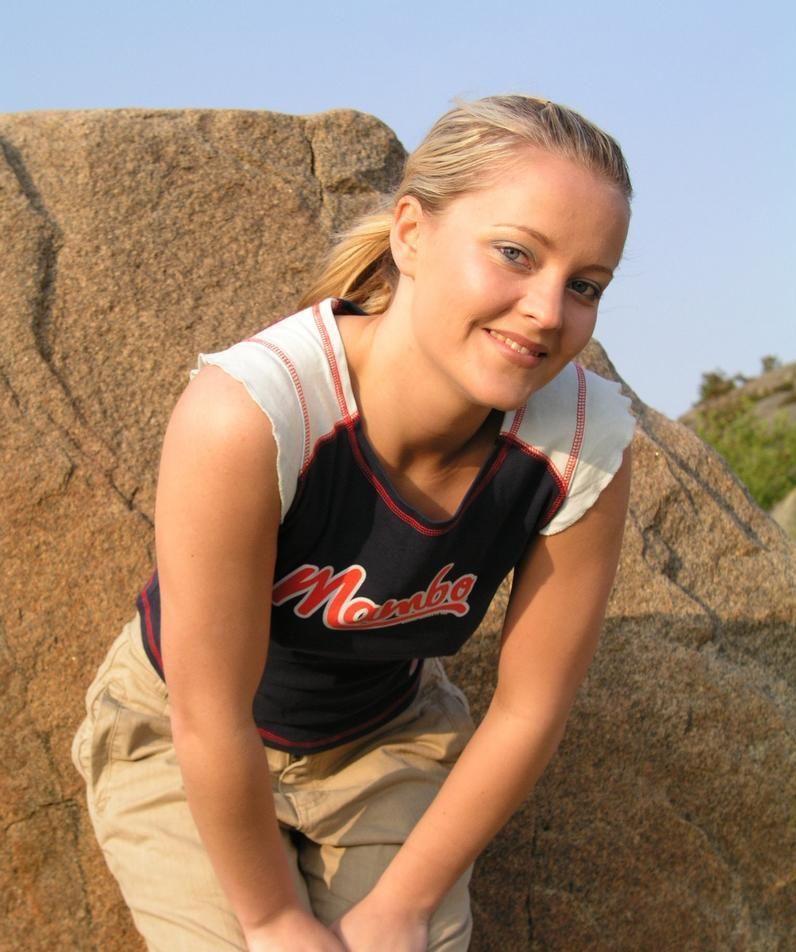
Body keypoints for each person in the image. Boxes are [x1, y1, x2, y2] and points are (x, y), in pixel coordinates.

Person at [72, 94, 635, 952]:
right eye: (515, 253)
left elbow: (528, 710)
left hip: (385, 739)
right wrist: (273, 920)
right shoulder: (252, 414)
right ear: (411, 233)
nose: (548, 310)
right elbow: (210, 713)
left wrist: (403, 906)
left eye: (585, 285)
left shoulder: (582, 443)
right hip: (185, 733)